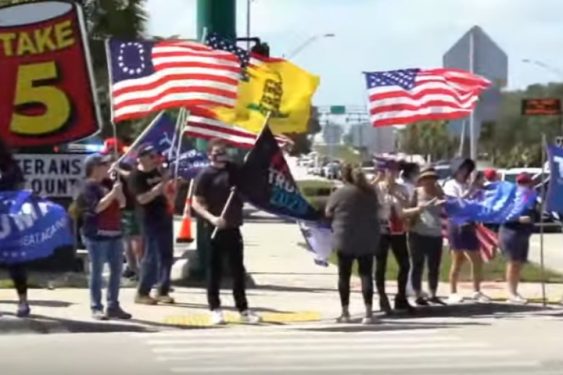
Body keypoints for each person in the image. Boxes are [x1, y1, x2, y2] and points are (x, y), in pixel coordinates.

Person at [192, 138, 260, 325]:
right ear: (210, 154)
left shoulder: (234, 171)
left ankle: (243, 310)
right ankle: (215, 309)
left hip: (233, 227)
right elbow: (195, 202)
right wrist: (212, 218)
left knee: (238, 271)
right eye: (217, 152)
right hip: (213, 229)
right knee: (214, 271)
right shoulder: (205, 175)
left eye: (223, 151)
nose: (221, 155)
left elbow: (252, 178)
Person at [373, 160, 436, 314]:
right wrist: (378, 181)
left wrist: (417, 208)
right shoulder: (376, 189)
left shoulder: (402, 189)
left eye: (395, 171)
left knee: (405, 264)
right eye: (390, 171)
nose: (393, 174)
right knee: (380, 265)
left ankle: (401, 298)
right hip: (380, 230)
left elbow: (404, 212)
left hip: (397, 230)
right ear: (384, 172)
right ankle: (382, 298)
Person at [76, 153, 132, 320]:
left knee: (116, 271)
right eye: (104, 165)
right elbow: (97, 208)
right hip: (96, 234)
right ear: (94, 168)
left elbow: (122, 204)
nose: (108, 168)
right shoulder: (87, 187)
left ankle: (113, 305)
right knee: (97, 271)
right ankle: (96, 306)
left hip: (114, 232)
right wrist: (112, 194)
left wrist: (119, 191)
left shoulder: (109, 183)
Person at [325, 164, 380, 324]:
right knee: (366, 275)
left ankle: (345, 313)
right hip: (367, 239)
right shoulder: (371, 192)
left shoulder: (340, 192)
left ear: (344, 176)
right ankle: (368, 314)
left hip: (345, 238)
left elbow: (328, 212)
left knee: (344, 276)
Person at [129, 144, 175, 305]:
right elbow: (141, 199)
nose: (154, 159)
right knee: (151, 255)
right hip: (149, 218)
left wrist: (168, 184)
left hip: (164, 215)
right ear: (141, 158)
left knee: (166, 254)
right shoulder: (136, 176)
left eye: (155, 156)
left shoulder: (156, 171)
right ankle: (143, 291)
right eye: (150, 156)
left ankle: (163, 290)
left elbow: (165, 189)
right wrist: (157, 189)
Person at [443, 158, 491, 304]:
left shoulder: (467, 185)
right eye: (462, 169)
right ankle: (452, 292)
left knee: (476, 260)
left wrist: (477, 189)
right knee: (457, 259)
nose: (464, 172)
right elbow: (456, 203)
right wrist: (469, 191)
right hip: (456, 225)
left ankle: (476, 290)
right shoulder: (450, 185)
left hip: (469, 224)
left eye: (466, 169)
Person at [103, 138, 143, 281]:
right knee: (126, 241)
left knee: (136, 240)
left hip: (132, 207)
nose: (108, 156)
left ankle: (140, 269)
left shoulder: (126, 166)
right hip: (117, 209)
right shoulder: (106, 167)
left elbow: (133, 177)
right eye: (107, 153)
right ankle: (132, 268)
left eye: (110, 152)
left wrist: (118, 169)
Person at [0, 138, 30, 318]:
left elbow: (21, 193)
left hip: (9, 221)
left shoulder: (11, 168)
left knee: (15, 263)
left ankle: (23, 302)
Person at [408, 167, 446, 306]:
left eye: (432, 178)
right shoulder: (417, 192)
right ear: (421, 180)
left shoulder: (440, 192)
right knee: (418, 265)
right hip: (418, 233)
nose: (429, 181)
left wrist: (443, 203)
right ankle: (418, 294)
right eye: (426, 178)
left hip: (436, 234)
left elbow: (446, 209)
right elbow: (409, 211)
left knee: (434, 266)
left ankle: (433, 293)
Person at [499, 172, 536, 304]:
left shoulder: (530, 196)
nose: (524, 186)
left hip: (523, 232)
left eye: (525, 183)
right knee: (513, 262)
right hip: (510, 231)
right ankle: (511, 293)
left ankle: (515, 291)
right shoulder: (512, 196)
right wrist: (518, 218)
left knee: (519, 263)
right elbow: (503, 214)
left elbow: (532, 210)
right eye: (521, 183)